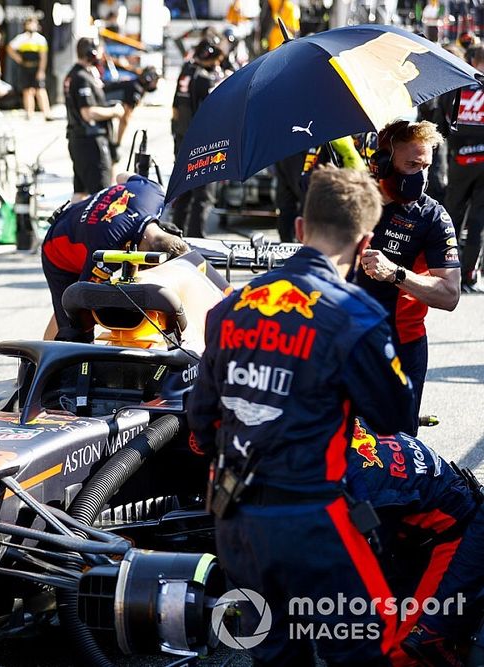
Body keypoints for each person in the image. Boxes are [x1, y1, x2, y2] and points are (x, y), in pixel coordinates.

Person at [188, 165, 416, 665]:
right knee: (372, 641)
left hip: (237, 523)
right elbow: (394, 417)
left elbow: (200, 419)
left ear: (298, 229)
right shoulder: (354, 315)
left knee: (271, 653)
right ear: (364, 243)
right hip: (312, 521)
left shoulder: (231, 306)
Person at [345, 417, 484, 665]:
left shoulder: (366, 491)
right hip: (413, 522)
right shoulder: (335, 416)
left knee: (401, 652)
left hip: (454, 532)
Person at [356, 119, 461, 434]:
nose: (423, 176)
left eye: (426, 166)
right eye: (412, 164)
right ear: (384, 163)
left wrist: (396, 274)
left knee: (395, 447)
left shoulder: (432, 216)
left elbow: (450, 294)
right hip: (347, 340)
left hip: (402, 345)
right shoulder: (352, 201)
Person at [41, 172, 190, 342]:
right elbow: (78, 298)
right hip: (59, 247)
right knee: (73, 324)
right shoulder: (107, 248)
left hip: (83, 220)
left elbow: (122, 176)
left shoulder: (155, 192)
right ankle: (39, 364)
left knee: (64, 312)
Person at [170, 38, 227, 237]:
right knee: (203, 196)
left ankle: (176, 236)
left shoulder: (185, 71)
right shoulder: (205, 79)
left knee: (183, 192)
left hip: (182, 140)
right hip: (202, 145)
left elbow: (175, 109)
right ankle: (197, 241)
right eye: (216, 60)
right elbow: (217, 111)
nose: (217, 65)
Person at [442, 45, 484, 293]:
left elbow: (442, 121)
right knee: (478, 219)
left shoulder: (457, 83)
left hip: (459, 160)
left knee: (451, 216)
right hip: (482, 161)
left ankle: (446, 269)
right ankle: (468, 274)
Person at [64, 37, 124, 202]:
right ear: (92, 53)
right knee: (103, 196)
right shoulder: (82, 77)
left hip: (79, 140)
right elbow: (88, 112)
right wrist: (114, 112)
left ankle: (70, 227)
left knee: (80, 192)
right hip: (90, 142)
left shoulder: (76, 74)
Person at [7, 16, 52, 121]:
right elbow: (9, 48)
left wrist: (41, 70)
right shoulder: (21, 38)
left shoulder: (40, 39)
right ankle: (29, 113)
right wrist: (18, 59)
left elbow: (43, 57)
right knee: (27, 91)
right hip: (25, 67)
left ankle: (46, 113)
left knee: (40, 90)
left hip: (36, 67)